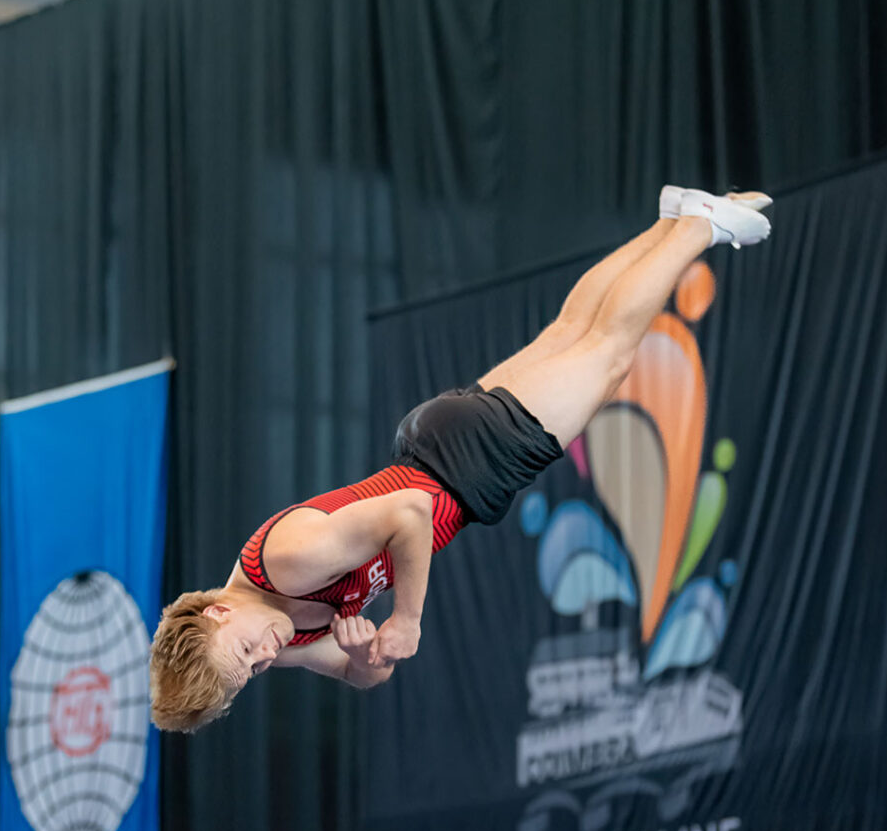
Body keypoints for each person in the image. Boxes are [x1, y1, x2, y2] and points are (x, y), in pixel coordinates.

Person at [150, 185, 772, 732]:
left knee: (609, 352)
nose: (261, 662)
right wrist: (370, 660)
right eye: (248, 678)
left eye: (243, 656)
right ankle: (670, 221)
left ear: (219, 611)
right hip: (441, 448)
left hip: (456, 470)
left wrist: (407, 619)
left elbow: (412, 514)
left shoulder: (285, 565)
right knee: (573, 334)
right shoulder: (275, 635)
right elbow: (360, 676)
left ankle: (699, 227)